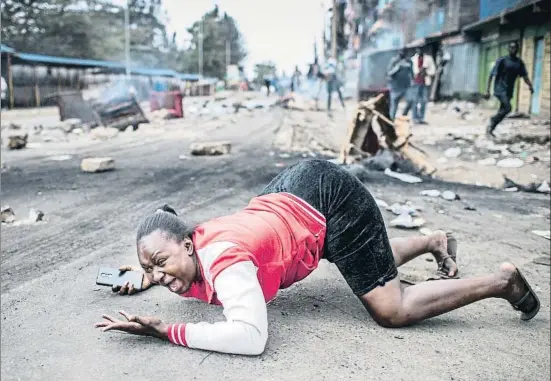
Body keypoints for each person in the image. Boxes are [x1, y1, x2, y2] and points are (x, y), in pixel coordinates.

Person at [95, 160, 540, 356]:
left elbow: (250, 337)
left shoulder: (226, 262)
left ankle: (503, 282)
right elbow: (168, 266)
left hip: (328, 198)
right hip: (291, 195)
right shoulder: (190, 243)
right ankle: (431, 240)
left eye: (159, 262)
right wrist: (150, 276)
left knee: (391, 308)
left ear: (189, 245)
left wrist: (165, 330)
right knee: (354, 258)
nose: (156, 272)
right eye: (149, 266)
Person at [485, 41, 534, 138]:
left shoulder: (519, 63)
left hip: (509, 90)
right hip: (500, 88)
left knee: (503, 111)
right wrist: (487, 90)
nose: (513, 49)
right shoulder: (502, 60)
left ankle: (490, 129)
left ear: (517, 49)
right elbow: (491, 74)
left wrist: (530, 86)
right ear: (508, 49)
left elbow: (525, 76)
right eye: (511, 47)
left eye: (515, 48)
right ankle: (493, 120)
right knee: (508, 108)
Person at [403, 46, 436, 124]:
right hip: (415, 83)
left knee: (424, 101)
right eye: (418, 49)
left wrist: (426, 72)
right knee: (415, 101)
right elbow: (410, 72)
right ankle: (415, 118)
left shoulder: (428, 59)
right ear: (416, 50)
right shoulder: (413, 59)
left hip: (425, 82)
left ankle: (421, 118)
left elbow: (433, 70)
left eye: (421, 49)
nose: (419, 50)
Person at [386, 48, 414, 120]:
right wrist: (397, 68)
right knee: (394, 106)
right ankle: (391, 121)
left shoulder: (409, 61)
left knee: (411, 100)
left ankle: (403, 115)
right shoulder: (394, 61)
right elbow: (389, 73)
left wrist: (412, 81)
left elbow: (411, 73)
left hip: (406, 86)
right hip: (395, 87)